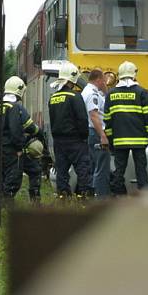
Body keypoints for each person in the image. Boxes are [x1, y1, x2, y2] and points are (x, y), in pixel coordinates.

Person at [104, 61, 148, 195]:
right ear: (134, 75)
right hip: (139, 141)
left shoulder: (111, 94)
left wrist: (111, 141)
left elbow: (107, 120)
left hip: (119, 141)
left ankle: (118, 196)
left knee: (119, 170)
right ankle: (143, 198)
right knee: (141, 171)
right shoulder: (141, 93)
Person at [48, 62, 93, 197]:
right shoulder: (75, 97)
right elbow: (82, 119)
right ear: (72, 80)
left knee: (62, 171)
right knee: (83, 169)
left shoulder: (53, 98)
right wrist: (84, 136)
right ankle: (84, 196)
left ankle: (63, 196)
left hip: (58, 141)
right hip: (76, 140)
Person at [0, 76, 42, 204]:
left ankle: (1, 204)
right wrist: (38, 133)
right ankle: (10, 205)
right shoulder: (16, 108)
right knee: (14, 179)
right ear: (20, 91)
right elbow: (25, 128)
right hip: (14, 150)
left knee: (3, 177)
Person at [81, 68, 112, 198]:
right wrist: (103, 136)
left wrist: (105, 91)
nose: (105, 83)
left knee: (96, 167)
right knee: (102, 168)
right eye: (104, 81)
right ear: (99, 80)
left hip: (93, 132)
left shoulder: (90, 91)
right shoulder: (92, 93)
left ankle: (95, 196)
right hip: (96, 132)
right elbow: (94, 115)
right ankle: (101, 199)